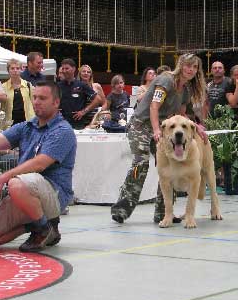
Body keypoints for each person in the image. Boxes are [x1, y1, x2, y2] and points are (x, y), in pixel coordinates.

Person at [0, 81, 76, 252]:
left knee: (16, 183)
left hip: (53, 194)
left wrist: (3, 177)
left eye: (42, 98)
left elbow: (40, 163)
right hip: (24, 192)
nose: (36, 102)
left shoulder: (63, 131)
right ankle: (40, 225)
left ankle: (43, 228)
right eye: (34, 97)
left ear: (56, 102)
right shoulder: (27, 127)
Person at [111, 53, 207, 224]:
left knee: (170, 166)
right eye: (188, 65)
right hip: (143, 125)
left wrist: (196, 127)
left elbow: (182, 115)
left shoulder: (185, 90)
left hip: (165, 129)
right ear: (180, 65)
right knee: (140, 164)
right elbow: (154, 106)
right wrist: (156, 130)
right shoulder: (166, 80)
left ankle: (163, 213)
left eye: (194, 67)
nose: (190, 70)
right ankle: (121, 209)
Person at [57, 58, 102, 130]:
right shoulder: (57, 86)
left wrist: (84, 111)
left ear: (74, 69)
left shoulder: (81, 85)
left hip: (78, 124)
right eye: (63, 69)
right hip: (61, 124)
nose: (64, 71)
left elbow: (98, 99)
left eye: (67, 68)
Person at [2, 58, 36, 126]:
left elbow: (34, 103)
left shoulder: (28, 85)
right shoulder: (3, 87)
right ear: (8, 70)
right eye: (12, 68)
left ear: (21, 70)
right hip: (10, 123)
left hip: (27, 122)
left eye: (17, 68)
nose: (15, 71)